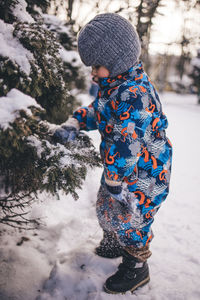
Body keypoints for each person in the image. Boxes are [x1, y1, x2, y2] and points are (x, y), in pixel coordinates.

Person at [53, 13, 173, 295]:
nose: (92, 72)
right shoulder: (114, 87)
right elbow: (100, 111)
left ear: (117, 62)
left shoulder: (134, 94)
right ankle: (113, 240)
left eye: (97, 65)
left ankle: (136, 266)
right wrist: (77, 121)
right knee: (108, 205)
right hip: (121, 170)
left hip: (146, 173)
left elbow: (127, 145)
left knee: (134, 218)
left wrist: (116, 179)